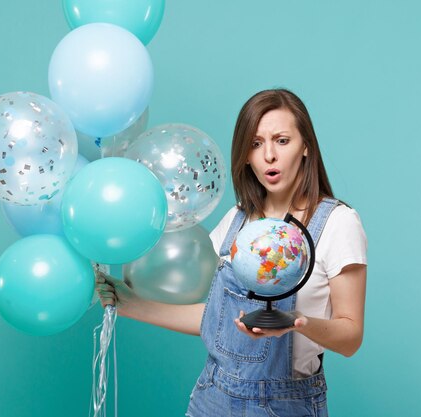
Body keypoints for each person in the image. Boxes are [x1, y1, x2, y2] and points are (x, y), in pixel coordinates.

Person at [95, 88, 367, 416]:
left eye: (282, 140)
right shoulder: (237, 220)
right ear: (246, 155)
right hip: (212, 397)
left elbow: (350, 337)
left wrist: (298, 322)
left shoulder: (337, 223)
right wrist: (131, 304)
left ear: (305, 146)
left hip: (283, 406)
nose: (269, 155)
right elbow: (218, 317)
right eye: (256, 143)